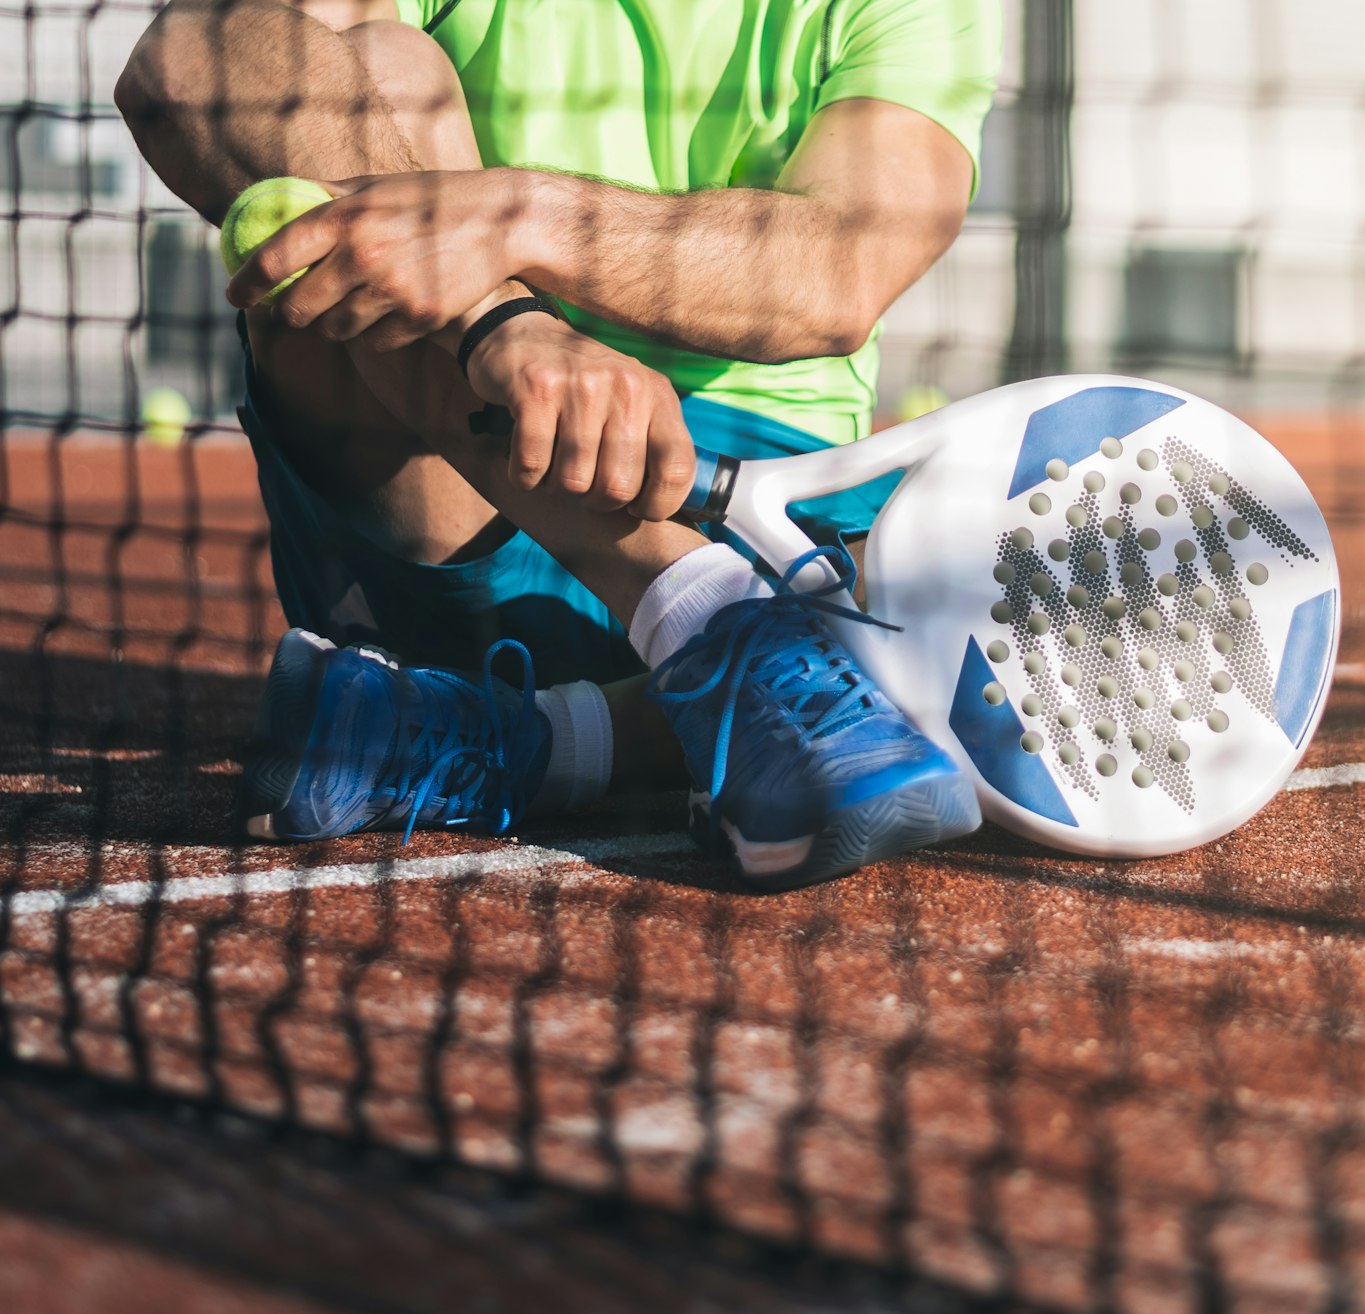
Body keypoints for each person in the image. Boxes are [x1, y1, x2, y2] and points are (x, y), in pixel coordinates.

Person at [114, 0, 1000, 888]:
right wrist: (502, 326)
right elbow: (195, 57)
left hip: (768, 508)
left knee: (974, 592)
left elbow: (840, 268)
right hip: (473, 472)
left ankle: (537, 736)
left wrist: (518, 216)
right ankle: (706, 615)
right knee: (378, 69)